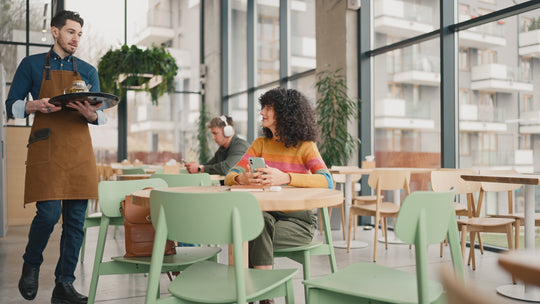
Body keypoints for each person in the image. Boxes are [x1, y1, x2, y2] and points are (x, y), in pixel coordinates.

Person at [5, 10, 107, 304]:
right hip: (47, 147)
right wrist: (33, 106)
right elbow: (11, 105)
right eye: (70, 32)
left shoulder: (87, 70)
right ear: (55, 31)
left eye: (79, 34)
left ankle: (64, 285)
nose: (75, 39)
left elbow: (98, 113)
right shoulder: (32, 65)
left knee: (76, 222)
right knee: (48, 214)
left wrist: (92, 114)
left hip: (78, 149)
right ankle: (31, 263)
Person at [224, 87, 333, 304]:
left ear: (284, 113)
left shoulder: (305, 146)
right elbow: (230, 175)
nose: (262, 112)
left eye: (268, 108)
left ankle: (249, 296)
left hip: (298, 222)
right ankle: (266, 297)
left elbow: (327, 180)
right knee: (258, 223)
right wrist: (243, 179)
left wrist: (286, 178)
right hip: (265, 216)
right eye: (262, 107)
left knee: (246, 233)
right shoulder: (260, 144)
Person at [185, 115, 249, 176]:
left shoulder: (241, 146)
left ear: (227, 132)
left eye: (215, 133)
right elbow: (210, 165)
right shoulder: (222, 149)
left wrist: (199, 168)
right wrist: (197, 166)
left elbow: (227, 168)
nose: (213, 138)